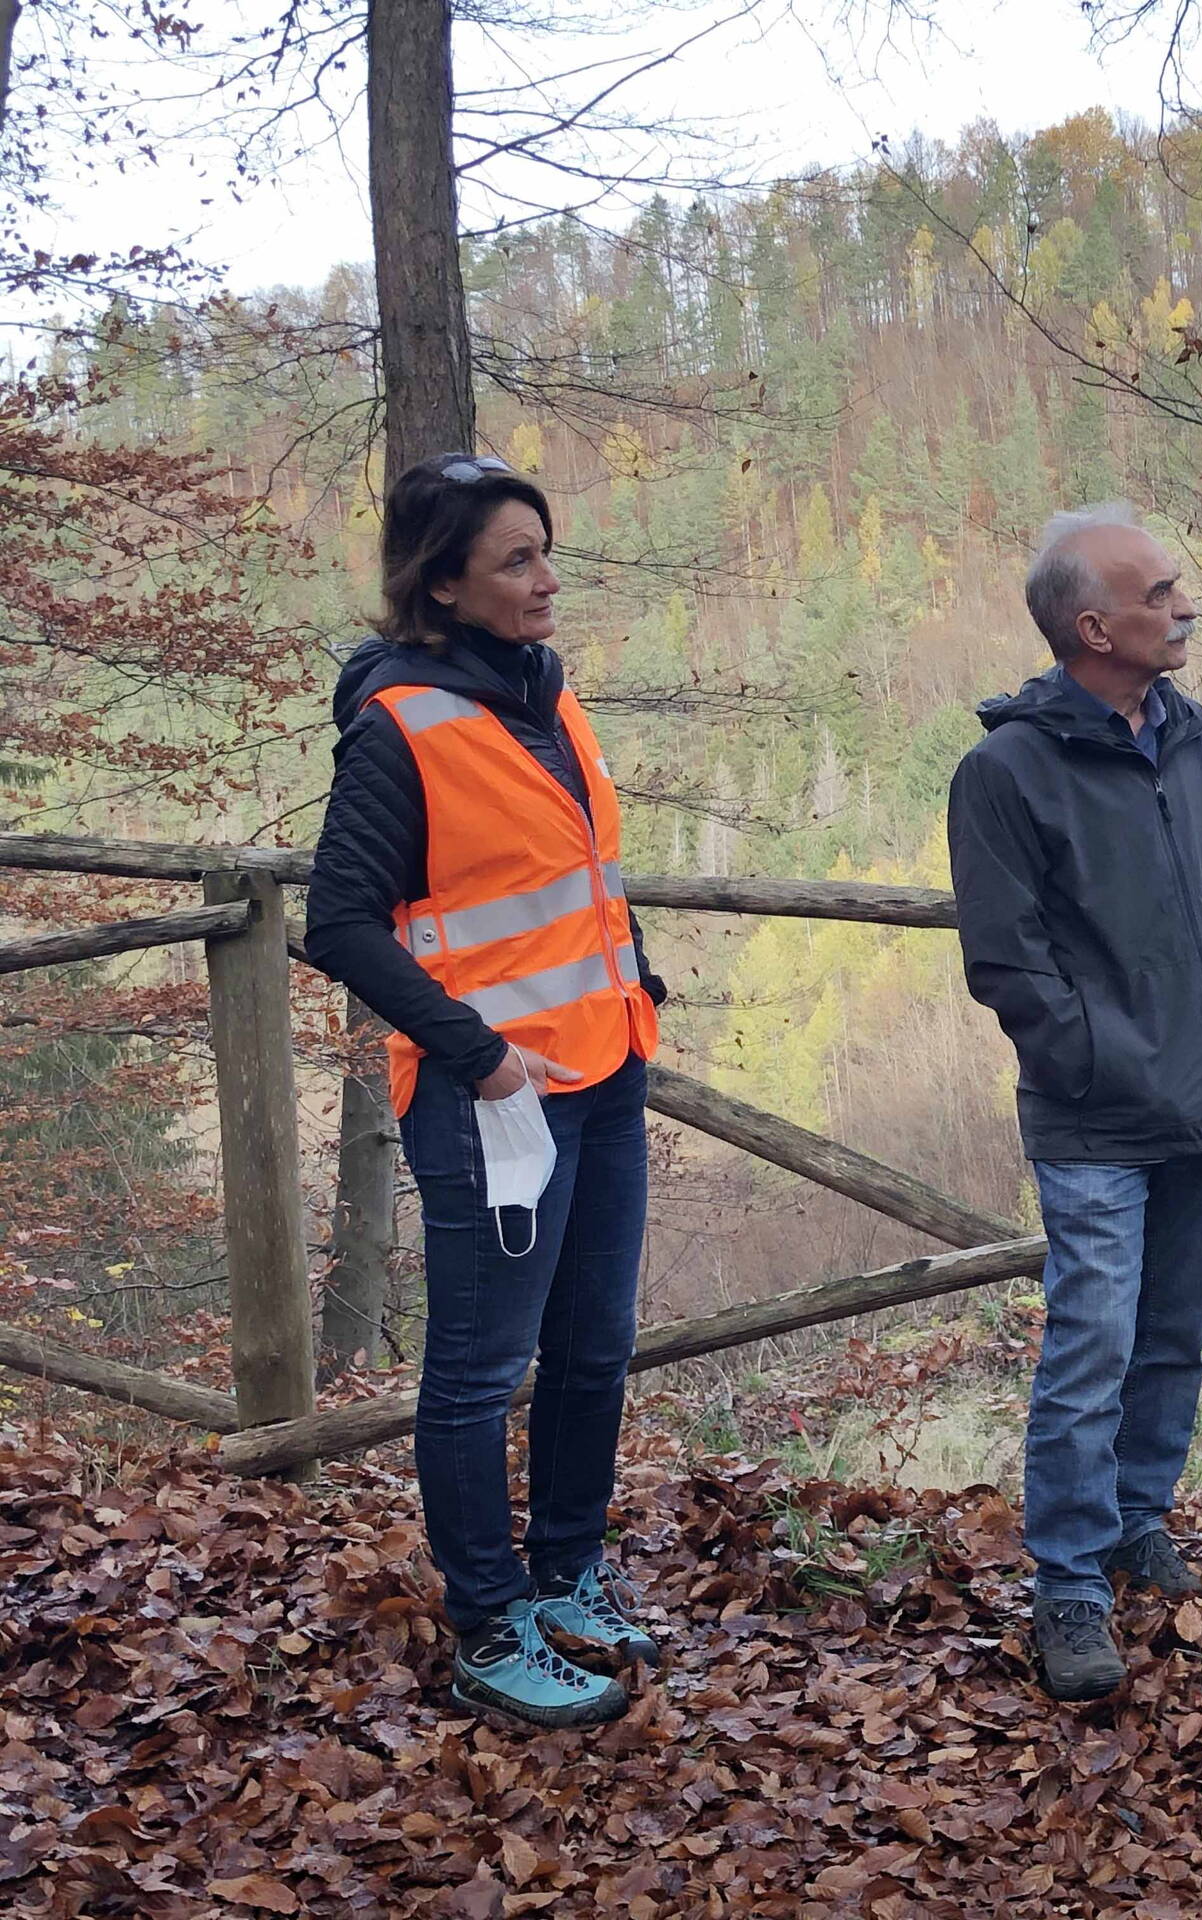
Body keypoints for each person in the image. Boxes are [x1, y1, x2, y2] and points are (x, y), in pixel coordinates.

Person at [305, 451, 669, 1731]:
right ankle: (488, 1620)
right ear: (442, 583)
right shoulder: (398, 725)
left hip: (606, 1066)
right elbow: (338, 924)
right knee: (476, 1370)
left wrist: (640, 982)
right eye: (516, 561)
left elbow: (567, 884)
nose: (546, 582)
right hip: (494, 1100)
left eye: (545, 551)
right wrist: (478, 1052)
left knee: (592, 1347)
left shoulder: (543, 698)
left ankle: (568, 1572)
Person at [948, 502, 1202, 1702]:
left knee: (1173, 1335)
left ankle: (1138, 1519)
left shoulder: (1198, 739)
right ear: (1093, 627)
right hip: (1097, 1118)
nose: (1183, 607)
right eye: (1159, 594)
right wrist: (1095, 1059)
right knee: (1089, 1346)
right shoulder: (1003, 771)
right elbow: (1007, 961)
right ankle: (1071, 1587)